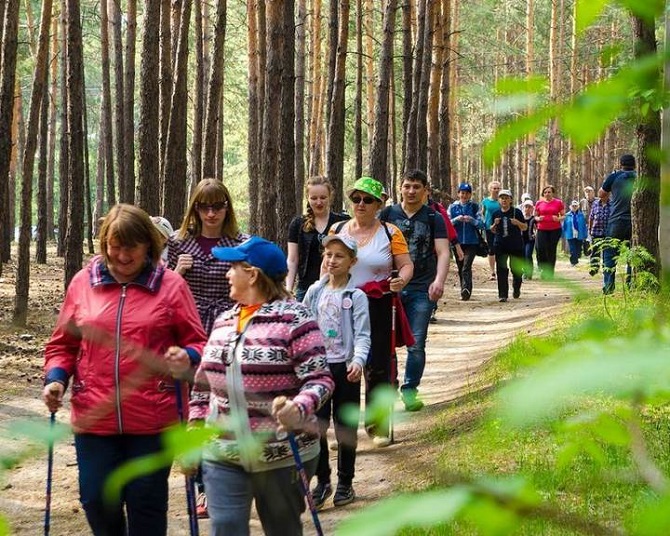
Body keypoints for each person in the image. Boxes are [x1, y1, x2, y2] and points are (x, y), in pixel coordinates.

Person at [43, 204, 207, 536]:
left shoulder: (171, 286)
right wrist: (56, 379)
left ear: (148, 244)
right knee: (96, 500)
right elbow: (63, 344)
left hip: (153, 420)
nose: (121, 254)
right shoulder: (83, 283)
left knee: (146, 504)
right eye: (113, 246)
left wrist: (186, 356)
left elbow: (199, 342)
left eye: (130, 246)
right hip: (95, 417)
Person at [188, 236, 334, 536]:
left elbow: (320, 379)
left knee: (282, 530)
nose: (227, 274)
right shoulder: (224, 321)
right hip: (223, 453)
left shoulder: (295, 319)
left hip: (282, 453)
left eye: (233, 268)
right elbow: (203, 384)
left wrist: (298, 407)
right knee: (225, 527)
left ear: (252, 274)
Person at [167, 177, 247, 516]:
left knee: (225, 406)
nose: (211, 212)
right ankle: (201, 486)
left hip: (229, 329)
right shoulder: (178, 243)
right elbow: (161, 289)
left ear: (227, 207)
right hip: (190, 329)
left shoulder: (239, 242)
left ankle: (229, 477)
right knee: (194, 410)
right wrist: (176, 272)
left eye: (218, 205)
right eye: (204, 206)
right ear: (194, 209)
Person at [330, 176, 413, 448]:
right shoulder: (338, 230)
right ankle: (345, 430)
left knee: (378, 366)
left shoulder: (390, 232)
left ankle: (378, 426)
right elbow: (326, 266)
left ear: (379, 203)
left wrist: (402, 280)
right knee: (343, 364)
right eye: (356, 199)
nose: (361, 204)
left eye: (368, 200)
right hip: (342, 304)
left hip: (379, 303)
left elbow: (405, 265)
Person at [303, 235, 370, 510]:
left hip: (345, 370)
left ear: (352, 262)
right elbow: (303, 328)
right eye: (328, 254)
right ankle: (323, 480)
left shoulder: (356, 296)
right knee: (316, 425)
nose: (332, 260)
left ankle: (345, 482)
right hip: (318, 370)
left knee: (345, 426)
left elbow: (363, 334)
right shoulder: (314, 292)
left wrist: (358, 360)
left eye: (339, 256)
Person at [380, 169, 450, 411]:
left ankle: (409, 391)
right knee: (387, 343)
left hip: (422, 287)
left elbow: (443, 252)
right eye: (407, 186)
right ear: (400, 187)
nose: (411, 191)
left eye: (416, 187)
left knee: (416, 343)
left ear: (425, 190)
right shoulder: (387, 214)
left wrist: (439, 281)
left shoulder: (433, 217)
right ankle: (389, 386)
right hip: (388, 287)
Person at [286, 176, 349, 301]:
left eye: (323, 197)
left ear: (330, 197)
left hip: (337, 286)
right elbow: (292, 259)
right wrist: (289, 289)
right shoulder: (298, 224)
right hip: (305, 288)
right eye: (314, 198)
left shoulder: (343, 222)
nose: (319, 202)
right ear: (308, 198)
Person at [599, 153, 636, 294]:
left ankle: (608, 287)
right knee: (633, 255)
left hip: (616, 220)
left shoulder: (614, 176)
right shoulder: (640, 177)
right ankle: (631, 285)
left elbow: (601, 194)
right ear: (635, 165)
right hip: (635, 221)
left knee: (609, 254)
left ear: (621, 164)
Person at [448, 182, 485, 301]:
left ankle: (466, 289)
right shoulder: (452, 207)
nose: (464, 195)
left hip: (472, 242)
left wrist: (472, 220)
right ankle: (463, 289)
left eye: (467, 193)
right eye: (462, 193)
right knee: (460, 267)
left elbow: (481, 224)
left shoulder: (474, 207)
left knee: (466, 266)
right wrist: (456, 219)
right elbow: (447, 223)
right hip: (457, 242)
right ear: (458, 193)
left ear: (470, 195)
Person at [490, 190, 527, 302]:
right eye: (502, 198)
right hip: (500, 244)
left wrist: (517, 223)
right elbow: (492, 230)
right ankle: (503, 294)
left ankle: (516, 288)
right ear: (499, 200)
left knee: (516, 270)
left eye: (506, 198)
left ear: (510, 200)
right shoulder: (496, 214)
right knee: (501, 269)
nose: (504, 200)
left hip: (515, 245)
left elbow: (525, 227)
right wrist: (494, 224)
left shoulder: (517, 212)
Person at [534, 185, 565, 279]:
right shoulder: (539, 203)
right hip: (542, 229)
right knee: (541, 249)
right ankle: (543, 268)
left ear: (553, 193)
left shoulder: (558, 202)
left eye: (549, 192)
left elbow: (564, 216)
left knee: (551, 250)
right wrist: (538, 218)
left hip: (555, 229)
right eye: (545, 192)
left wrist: (558, 218)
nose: (547, 194)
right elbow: (535, 216)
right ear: (543, 194)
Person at [481, 180, 501, 280]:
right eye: (494, 188)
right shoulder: (485, 201)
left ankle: (500, 270)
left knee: (500, 249)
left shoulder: (502, 201)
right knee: (491, 249)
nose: (496, 190)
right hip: (489, 228)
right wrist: (483, 223)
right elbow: (482, 213)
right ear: (490, 189)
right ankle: (492, 272)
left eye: (498, 188)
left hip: (500, 228)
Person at [587, 196, 611, 276]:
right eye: (600, 195)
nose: (601, 197)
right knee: (595, 251)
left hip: (608, 232)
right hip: (596, 231)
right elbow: (591, 217)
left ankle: (606, 269)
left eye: (604, 194)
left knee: (606, 252)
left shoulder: (612, 204)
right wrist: (590, 229)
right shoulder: (595, 203)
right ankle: (594, 268)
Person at [562, 200, 588, 266]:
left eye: (575, 206)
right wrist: (562, 234)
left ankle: (576, 258)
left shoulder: (581, 215)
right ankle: (573, 262)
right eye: (573, 206)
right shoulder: (567, 215)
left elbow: (584, 226)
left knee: (578, 249)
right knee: (572, 249)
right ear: (570, 207)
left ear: (578, 207)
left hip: (580, 235)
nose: (574, 207)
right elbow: (564, 225)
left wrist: (585, 235)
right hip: (570, 234)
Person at [521, 200, 536, 280]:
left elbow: (537, 228)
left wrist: (535, 234)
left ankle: (529, 273)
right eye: (526, 207)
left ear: (532, 208)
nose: (527, 209)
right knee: (522, 256)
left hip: (530, 240)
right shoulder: (520, 218)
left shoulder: (534, 219)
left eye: (529, 207)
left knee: (528, 255)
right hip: (521, 240)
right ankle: (524, 272)